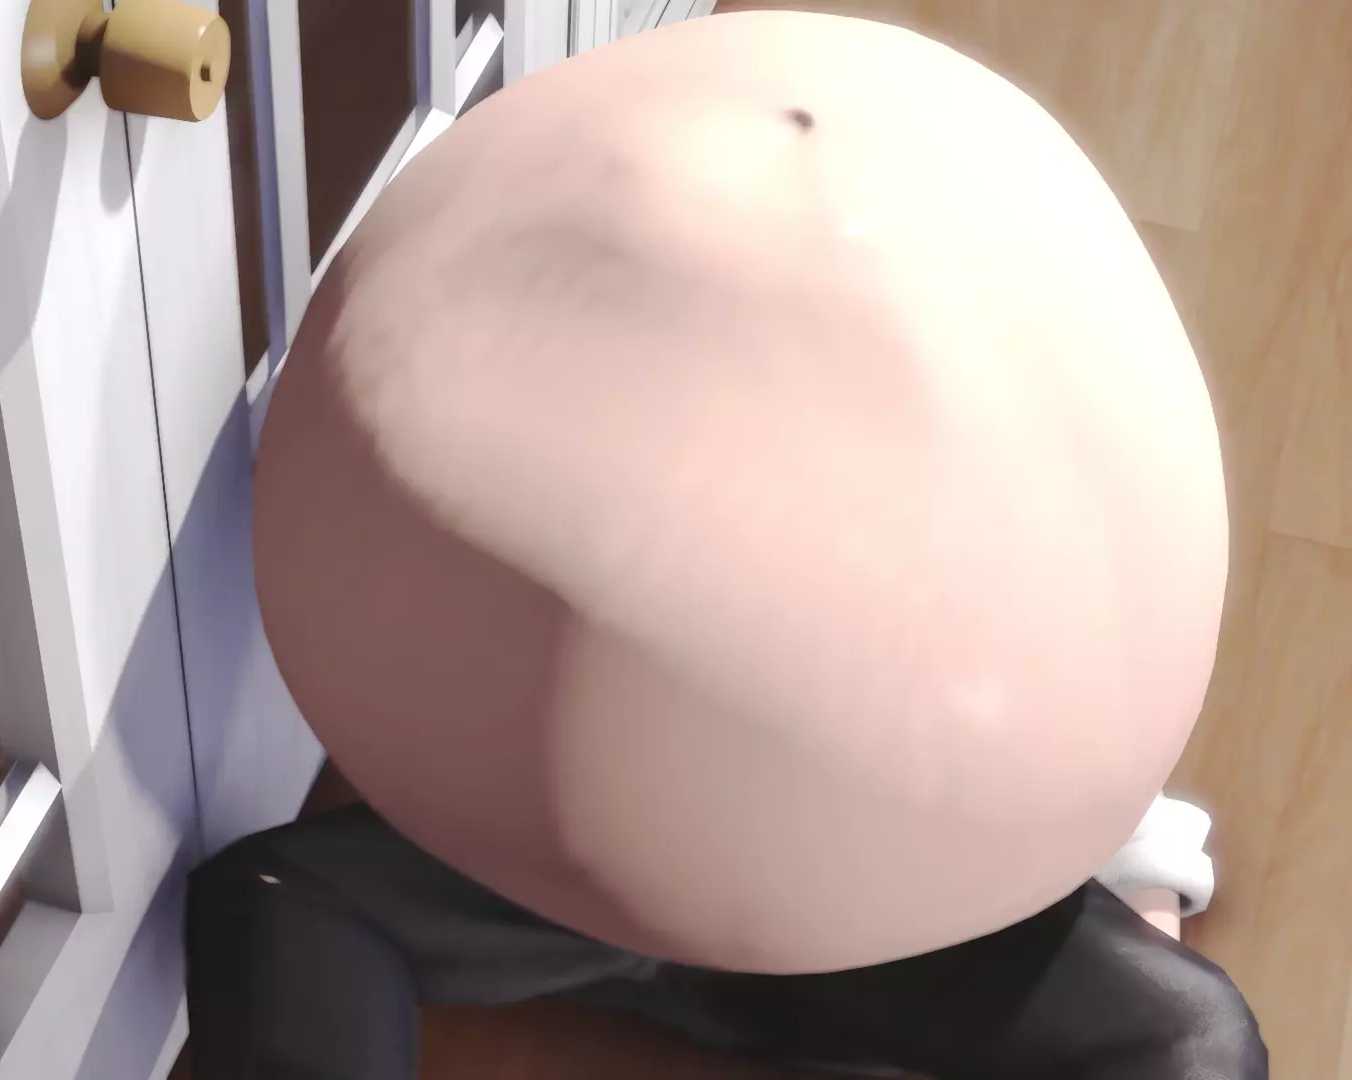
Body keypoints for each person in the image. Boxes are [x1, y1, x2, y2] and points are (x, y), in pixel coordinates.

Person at [188, 9, 1267, 1078]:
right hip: (554, 861)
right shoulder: (580, 419)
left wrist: (1122, 885)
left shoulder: (1005, 440)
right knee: (274, 899)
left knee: (1200, 1039)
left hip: (881, 911)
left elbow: (1089, 723)